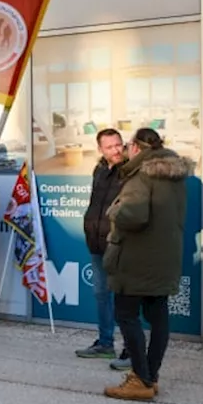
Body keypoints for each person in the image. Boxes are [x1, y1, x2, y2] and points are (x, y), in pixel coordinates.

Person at [103, 128, 191, 402]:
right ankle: (151, 376)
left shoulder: (141, 175)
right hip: (164, 258)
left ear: (137, 148)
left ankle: (140, 378)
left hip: (137, 260)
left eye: (128, 145)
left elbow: (134, 215)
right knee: (158, 316)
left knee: (126, 315)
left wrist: (114, 208)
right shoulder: (175, 176)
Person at [77, 129, 126, 361]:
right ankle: (106, 343)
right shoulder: (99, 170)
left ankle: (130, 348)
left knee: (124, 297)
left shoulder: (129, 171)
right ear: (101, 150)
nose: (116, 150)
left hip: (119, 245)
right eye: (110, 147)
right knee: (101, 294)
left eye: (118, 145)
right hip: (97, 243)